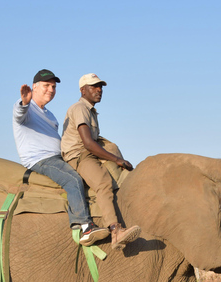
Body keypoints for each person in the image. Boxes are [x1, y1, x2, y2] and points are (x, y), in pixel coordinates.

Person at [12, 69, 110, 246]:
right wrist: (24, 103)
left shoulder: (50, 115)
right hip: (42, 159)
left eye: (53, 86)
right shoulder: (27, 108)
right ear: (34, 87)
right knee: (72, 179)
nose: (50, 89)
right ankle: (85, 227)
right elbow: (19, 115)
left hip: (59, 157)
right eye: (46, 86)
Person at [61, 73, 141, 250]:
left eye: (101, 87)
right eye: (94, 86)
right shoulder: (79, 108)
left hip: (87, 153)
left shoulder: (91, 111)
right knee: (104, 182)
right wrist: (117, 159)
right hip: (79, 156)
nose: (99, 90)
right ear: (83, 90)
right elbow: (88, 144)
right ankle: (115, 230)